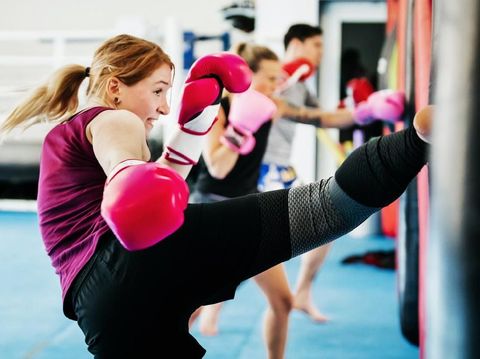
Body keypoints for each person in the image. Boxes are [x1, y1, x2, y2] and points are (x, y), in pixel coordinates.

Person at [0, 34, 430, 358]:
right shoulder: (113, 119)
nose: (164, 107)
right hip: (127, 259)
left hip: (99, 308)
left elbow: (150, 205)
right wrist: (130, 171)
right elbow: (124, 168)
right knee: (325, 207)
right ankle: (420, 137)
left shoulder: (65, 134)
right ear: (115, 88)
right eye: (158, 90)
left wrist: (190, 134)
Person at [260, 24, 394, 322]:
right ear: (296, 43)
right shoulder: (267, 76)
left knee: (326, 224)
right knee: (245, 249)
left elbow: (323, 118)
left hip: (281, 170)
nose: (321, 53)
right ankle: (204, 312)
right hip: (256, 171)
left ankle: (303, 292)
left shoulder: (302, 83)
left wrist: (366, 110)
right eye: (316, 45)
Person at [189, 43, 310, 358]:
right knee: (190, 307)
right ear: (245, 77)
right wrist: (240, 129)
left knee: (282, 301)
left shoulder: (271, 106)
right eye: (268, 78)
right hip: (211, 208)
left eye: (277, 79)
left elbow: (317, 117)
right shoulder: (218, 110)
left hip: (249, 207)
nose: (274, 86)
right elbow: (218, 166)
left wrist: (364, 113)